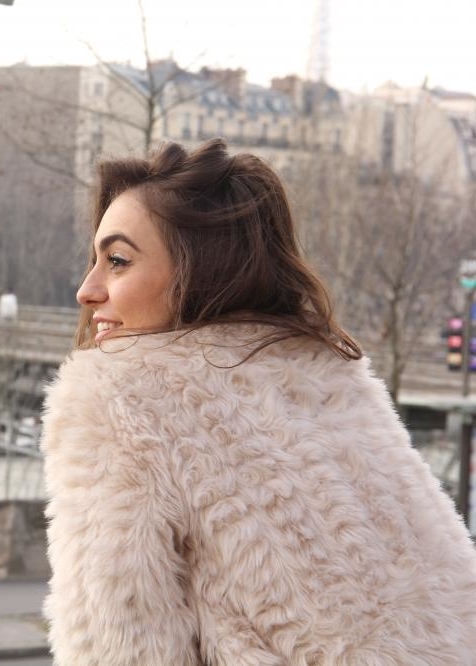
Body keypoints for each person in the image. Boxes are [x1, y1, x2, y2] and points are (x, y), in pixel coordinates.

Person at [41, 139, 476, 665]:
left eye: (117, 261)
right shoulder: (328, 374)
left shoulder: (116, 396)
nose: (87, 290)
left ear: (201, 270)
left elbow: (119, 645)